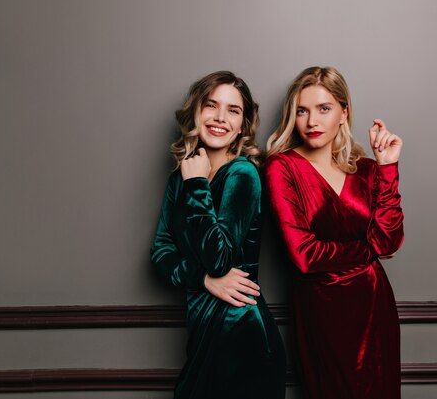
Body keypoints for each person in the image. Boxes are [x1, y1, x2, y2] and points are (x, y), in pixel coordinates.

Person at [265, 66, 404, 399]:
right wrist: (369, 247)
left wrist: (387, 168)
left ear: (344, 113)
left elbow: (389, 240)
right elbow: (305, 256)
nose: (312, 121)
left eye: (323, 109)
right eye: (302, 110)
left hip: (374, 306)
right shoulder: (281, 167)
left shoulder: (367, 169)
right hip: (321, 310)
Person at [151, 71, 286, 399]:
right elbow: (160, 252)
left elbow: (220, 258)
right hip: (202, 336)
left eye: (233, 110)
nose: (220, 118)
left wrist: (197, 186)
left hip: (242, 335)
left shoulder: (243, 174)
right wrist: (204, 280)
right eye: (211, 106)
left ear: (243, 124)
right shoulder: (181, 176)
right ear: (195, 112)